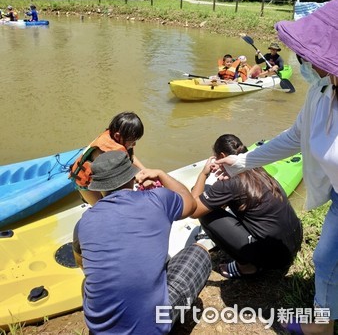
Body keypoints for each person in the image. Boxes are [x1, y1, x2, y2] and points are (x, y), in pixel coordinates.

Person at [214, 0, 338, 335]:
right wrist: (241, 162)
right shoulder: (320, 91)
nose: (303, 61)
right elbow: (294, 137)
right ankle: (323, 321)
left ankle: (320, 328)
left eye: (307, 55)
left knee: (327, 262)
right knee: (327, 261)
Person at [73, 150, 211, 335]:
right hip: (150, 328)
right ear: (133, 175)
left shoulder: (83, 223)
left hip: (100, 330)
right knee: (199, 253)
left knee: (87, 282)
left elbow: (82, 263)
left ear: (98, 187)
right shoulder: (158, 199)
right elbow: (190, 204)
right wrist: (161, 174)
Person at [189, 134, 302, 278]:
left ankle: (247, 267)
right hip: (293, 242)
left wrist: (203, 174)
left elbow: (193, 210)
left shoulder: (228, 184)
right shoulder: (257, 168)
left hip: (275, 259)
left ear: (222, 156)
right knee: (209, 196)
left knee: (204, 212)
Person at [70, 111, 147, 206]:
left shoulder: (119, 141)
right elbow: (109, 183)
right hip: (87, 181)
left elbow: (130, 157)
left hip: (101, 176)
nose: (134, 144)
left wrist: (145, 171)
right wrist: (137, 177)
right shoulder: (108, 155)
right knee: (102, 207)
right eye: (132, 141)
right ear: (117, 136)